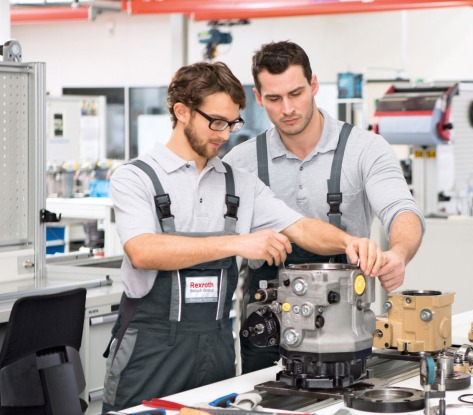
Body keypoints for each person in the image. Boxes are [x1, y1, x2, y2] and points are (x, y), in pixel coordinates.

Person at [101, 61, 383, 412]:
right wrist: (238, 242)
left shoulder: (239, 183)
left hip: (217, 349)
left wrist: (348, 243)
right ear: (182, 111)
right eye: (216, 122)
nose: (224, 134)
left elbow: (299, 226)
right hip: (151, 349)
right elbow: (143, 250)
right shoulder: (135, 178)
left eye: (232, 123)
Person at [223, 40, 425, 374]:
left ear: (314, 85)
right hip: (266, 318)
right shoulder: (240, 162)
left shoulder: (365, 149)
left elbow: (401, 209)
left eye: (296, 93)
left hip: (342, 318)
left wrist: (399, 253)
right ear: (259, 98)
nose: (288, 108)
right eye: (274, 99)